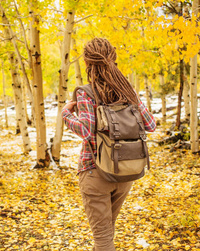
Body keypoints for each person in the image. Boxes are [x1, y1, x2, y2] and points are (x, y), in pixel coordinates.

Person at [62, 38, 156, 250]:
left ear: (87, 63)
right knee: (106, 232)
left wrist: (66, 113)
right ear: (113, 58)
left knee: (103, 237)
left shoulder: (85, 92)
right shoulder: (126, 90)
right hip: (126, 171)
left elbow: (86, 130)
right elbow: (151, 124)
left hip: (95, 172)